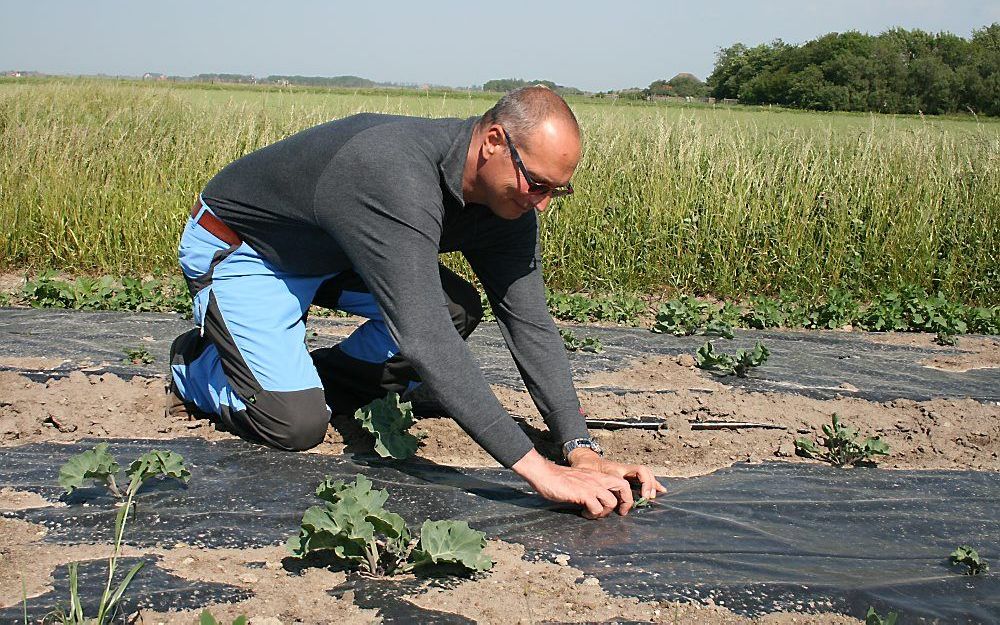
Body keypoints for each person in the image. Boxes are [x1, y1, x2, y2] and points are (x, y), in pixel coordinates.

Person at [167, 86, 666, 518]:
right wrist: (539, 471)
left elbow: (529, 323)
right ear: (494, 142)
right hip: (248, 251)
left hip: (336, 251)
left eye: (557, 191)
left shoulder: (508, 206)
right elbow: (424, 338)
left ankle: (302, 378)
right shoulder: (393, 173)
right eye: (535, 184)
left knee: (456, 308)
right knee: (295, 424)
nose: (541, 203)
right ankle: (198, 363)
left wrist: (579, 447)